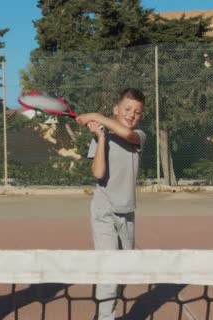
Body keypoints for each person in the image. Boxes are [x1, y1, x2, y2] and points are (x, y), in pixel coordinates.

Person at [76, 88, 146, 320]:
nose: (131, 114)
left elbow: (126, 134)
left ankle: (106, 303)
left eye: (137, 112)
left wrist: (95, 115)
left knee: (125, 268)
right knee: (109, 267)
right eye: (127, 109)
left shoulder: (140, 136)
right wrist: (101, 137)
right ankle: (105, 316)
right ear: (116, 109)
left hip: (127, 212)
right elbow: (98, 173)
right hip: (103, 209)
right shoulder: (102, 135)